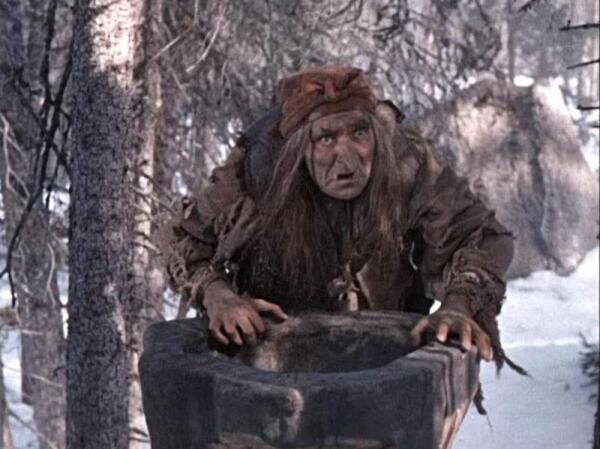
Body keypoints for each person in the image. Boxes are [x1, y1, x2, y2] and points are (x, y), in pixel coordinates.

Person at [160, 64, 516, 367]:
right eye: (326, 139)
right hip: (273, 361)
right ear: (299, 149)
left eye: (359, 133)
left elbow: (480, 235)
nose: (346, 159)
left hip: (384, 355)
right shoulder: (253, 177)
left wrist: (458, 305)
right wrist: (219, 296)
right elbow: (182, 239)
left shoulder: (404, 161)